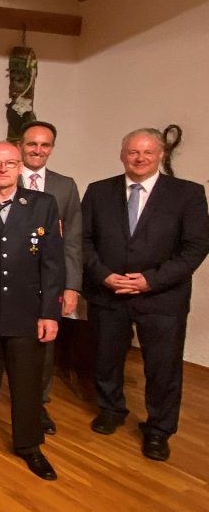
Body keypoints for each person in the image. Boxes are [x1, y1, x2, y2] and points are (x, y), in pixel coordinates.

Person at [82, 128, 209, 461]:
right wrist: (104, 275)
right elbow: (83, 241)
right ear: (122, 154)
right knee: (106, 358)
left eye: (147, 153)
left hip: (161, 297)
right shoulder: (98, 192)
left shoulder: (188, 194)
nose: (139, 159)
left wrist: (150, 281)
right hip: (108, 293)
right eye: (133, 152)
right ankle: (111, 410)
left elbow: (195, 247)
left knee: (163, 368)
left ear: (161, 155)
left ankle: (159, 430)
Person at [0, 141, 63, 481]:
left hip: (26, 311)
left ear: (20, 167)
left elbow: (52, 264)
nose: (2, 169)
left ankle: (29, 445)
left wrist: (50, 312)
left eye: (9, 163)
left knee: (27, 384)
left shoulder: (43, 205)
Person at [17, 120, 81, 433]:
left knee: (44, 345)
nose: (38, 150)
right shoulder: (4, 174)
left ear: (51, 149)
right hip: (8, 278)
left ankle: (37, 406)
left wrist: (71, 286)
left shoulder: (65, 186)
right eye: (32, 144)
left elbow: (72, 239)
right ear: (20, 146)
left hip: (49, 279)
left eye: (44, 145)